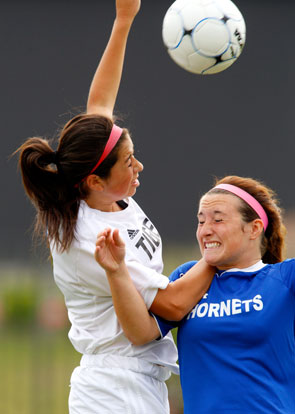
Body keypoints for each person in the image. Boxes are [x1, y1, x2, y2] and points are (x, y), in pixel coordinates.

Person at [15, 1, 215, 413]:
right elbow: (174, 304)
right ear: (94, 180)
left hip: (137, 381)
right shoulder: (90, 238)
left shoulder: (97, 189)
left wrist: (124, 21)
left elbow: (100, 104)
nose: (139, 166)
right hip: (113, 387)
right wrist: (220, 255)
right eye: (129, 162)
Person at [95, 174, 295, 414]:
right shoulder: (187, 277)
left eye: (218, 220)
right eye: (201, 222)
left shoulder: (285, 277)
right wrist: (117, 272)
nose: (206, 231)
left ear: (254, 229)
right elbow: (141, 333)